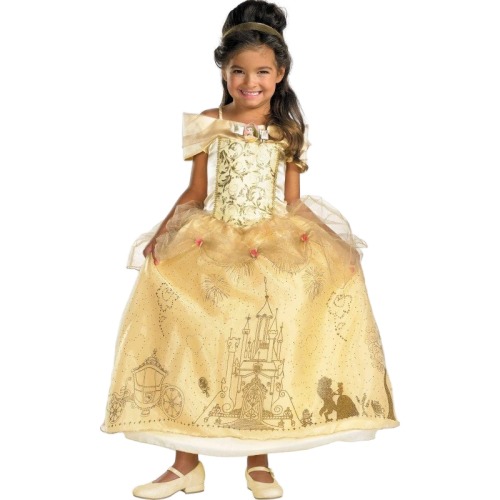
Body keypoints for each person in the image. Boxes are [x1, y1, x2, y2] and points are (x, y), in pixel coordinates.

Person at [101, 1, 399, 498]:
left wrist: (335, 244)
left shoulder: (288, 131)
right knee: (195, 339)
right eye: (238, 71)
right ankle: (185, 464)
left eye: (262, 71)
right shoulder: (207, 122)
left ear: (280, 74)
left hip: (270, 247)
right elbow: (197, 191)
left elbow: (293, 201)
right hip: (210, 242)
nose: (249, 81)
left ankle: (259, 461)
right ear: (224, 71)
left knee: (266, 345)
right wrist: (164, 232)